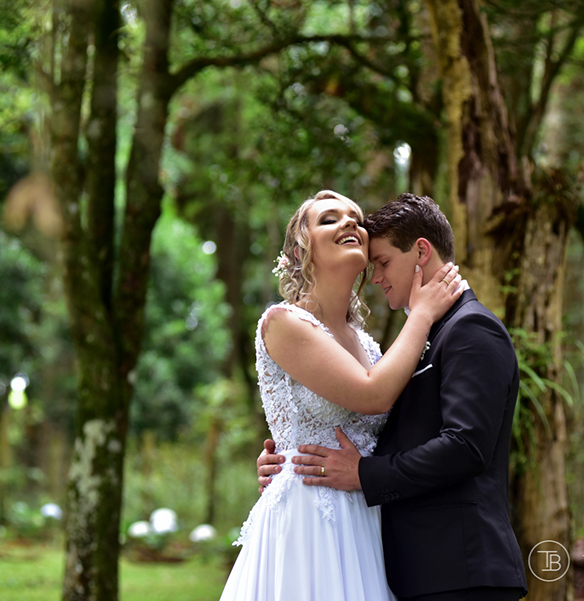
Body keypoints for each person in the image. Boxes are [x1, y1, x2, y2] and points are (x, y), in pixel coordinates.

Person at [257, 193, 529, 601]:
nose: (377, 275)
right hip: (342, 535)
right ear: (301, 249)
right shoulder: (405, 338)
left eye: (382, 262)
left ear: (421, 252)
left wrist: (364, 474)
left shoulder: (469, 329)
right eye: (330, 219)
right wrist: (287, 454)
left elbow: (465, 446)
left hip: (460, 567)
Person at [219, 190, 464, 601]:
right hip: (310, 519)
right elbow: (373, 395)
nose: (350, 222)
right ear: (301, 251)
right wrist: (422, 313)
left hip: (367, 517)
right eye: (329, 219)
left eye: (355, 218)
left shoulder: (367, 345)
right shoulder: (284, 322)